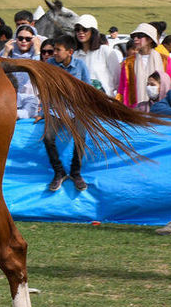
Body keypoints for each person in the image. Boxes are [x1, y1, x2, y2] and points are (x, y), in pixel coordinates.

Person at [37, 35, 91, 192]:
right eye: (54, 49)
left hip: (77, 110)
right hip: (55, 110)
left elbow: (87, 90)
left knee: (80, 137)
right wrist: (44, 111)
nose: (54, 53)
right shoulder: (50, 65)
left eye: (57, 50)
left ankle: (75, 172)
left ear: (70, 52)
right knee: (48, 138)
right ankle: (59, 171)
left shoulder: (80, 66)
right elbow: (45, 90)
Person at [116, 23, 171, 110]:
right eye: (133, 36)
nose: (135, 39)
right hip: (135, 110)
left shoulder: (166, 61)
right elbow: (122, 88)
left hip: (162, 110)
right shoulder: (128, 63)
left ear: (150, 39)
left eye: (139, 36)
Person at [72, 14, 121, 97]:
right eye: (77, 30)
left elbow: (117, 78)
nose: (81, 32)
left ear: (93, 31)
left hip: (105, 101)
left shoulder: (106, 51)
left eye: (85, 29)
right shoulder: (75, 55)